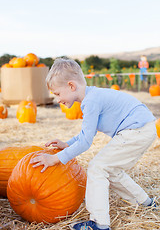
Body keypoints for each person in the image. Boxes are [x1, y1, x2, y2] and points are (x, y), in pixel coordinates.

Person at [30, 58, 157, 230]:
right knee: (110, 170)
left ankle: (99, 223)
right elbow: (85, 134)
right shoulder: (92, 97)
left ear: (71, 86)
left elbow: (85, 142)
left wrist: (56, 159)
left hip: (136, 130)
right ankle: (145, 203)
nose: (57, 99)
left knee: (97, 168)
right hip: (142, 128)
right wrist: (67, 144)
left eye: (58, 94)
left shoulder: (91, 101)